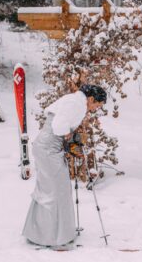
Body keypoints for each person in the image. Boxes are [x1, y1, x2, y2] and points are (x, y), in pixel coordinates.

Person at [23, 85, 106, 249]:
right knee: (56, 191)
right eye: (98, 105)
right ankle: (52, 238)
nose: (96, 108)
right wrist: (72, 138)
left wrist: (70, 140)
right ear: (91, 99)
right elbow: (59, 126)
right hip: (48, 150)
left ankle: (43, 233)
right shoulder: (76, 104)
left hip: (49, 148)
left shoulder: (75, 101)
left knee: (51, 189)